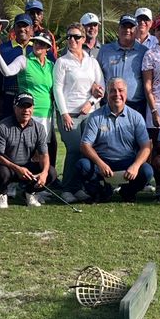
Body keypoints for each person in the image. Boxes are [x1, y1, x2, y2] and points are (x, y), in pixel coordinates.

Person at [76, 79, 154, 202]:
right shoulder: (95, 117)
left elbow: (145, 146)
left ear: (126, 94)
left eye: (120, 90)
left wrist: (135, 166)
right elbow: (85, 145)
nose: (117, 94)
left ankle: (128, 192)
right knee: (82, 165)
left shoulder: (136, 117)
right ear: (107, 94)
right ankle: (101, 193)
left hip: (127, 162)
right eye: (112, 91)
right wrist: (100, 163)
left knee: (147, 171)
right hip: (103, 162)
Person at [53, 21, 105, 197]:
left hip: (90, 113)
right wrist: (64, 114)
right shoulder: (62, 62)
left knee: (89, 150)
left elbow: (101, 87)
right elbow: (57, 89)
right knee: (74, 149)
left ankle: (80, 187)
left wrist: (90, 102)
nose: (72, 40)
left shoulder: (92, 62)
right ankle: (68, 189)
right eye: (69, 37)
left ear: (83, 38)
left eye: (76, 36)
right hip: (69, 114)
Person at [0, 92, 51, 207]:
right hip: (8, 166)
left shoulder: (39, 128)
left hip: (27, 167)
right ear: (15, 108)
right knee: (0, 171)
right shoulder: (3, 126)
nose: (26, 110)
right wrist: (17, 168)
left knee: (51, 173)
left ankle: (29, 193)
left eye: (29, 107)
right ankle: (2, 194)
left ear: (33, 108)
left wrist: (44, 173)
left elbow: (44, 154)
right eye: (22, 107)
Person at [94, 15, 147, 118]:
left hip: (136, 106)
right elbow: (94, 76)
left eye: (131, 27)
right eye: (124, 27)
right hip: (109, 104)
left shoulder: (144, 51)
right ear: (118, 29)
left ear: (136, 30)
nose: (127, 30)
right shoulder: (105, 50)